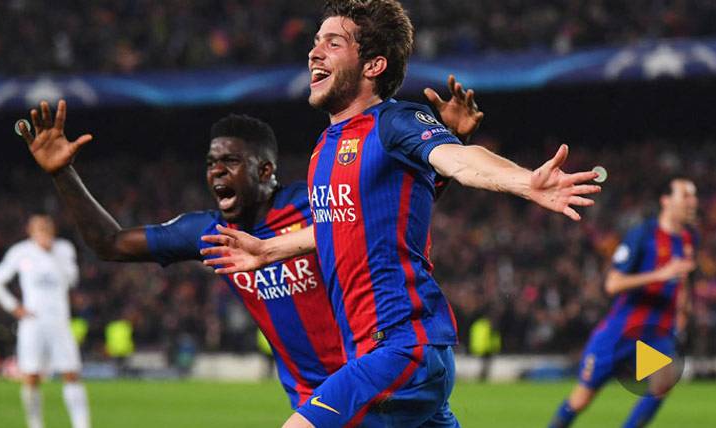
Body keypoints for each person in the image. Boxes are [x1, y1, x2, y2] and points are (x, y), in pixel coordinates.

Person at [202, 1, 601, 426]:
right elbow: (342, 227)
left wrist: (523, 181)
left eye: (333, 43)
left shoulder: (395, 120)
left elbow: (458, 159)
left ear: (374, 65)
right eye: (316, 42)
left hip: (401, 348)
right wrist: (268, 250)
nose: (314, 52)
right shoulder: (326, 147)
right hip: (386, 353)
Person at [15, 76, 482, 410]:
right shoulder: (209, 233)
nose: (215, 171)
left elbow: (389, 215)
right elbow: (111, 243)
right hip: (313, 398)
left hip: (372, 381)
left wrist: (444, 153)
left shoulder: (317, 202)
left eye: (230, 161)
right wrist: (63, 174)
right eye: (211, 162)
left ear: (264, 171)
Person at [548, 177, 698, 428]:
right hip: (620, 332)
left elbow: (682, 278)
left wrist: (683, 308)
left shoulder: (689, 238)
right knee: (581, 399)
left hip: (655, 333)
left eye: (693, 196)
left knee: (663, 383)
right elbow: (612, 284)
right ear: (666, 201)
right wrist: (660, 274)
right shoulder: (643, 234)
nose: (693, 202)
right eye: (686, 195)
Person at [0, 215, 90, 428]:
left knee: (71, 373)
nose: (44, 231)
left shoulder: (64, 249)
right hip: (32, 323)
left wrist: (51, 254)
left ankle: (82, 425)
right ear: (30, 230)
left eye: (47, 227)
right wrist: (13, 306)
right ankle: (35, 424)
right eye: (39, 228)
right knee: (32, 376)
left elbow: (72, 279)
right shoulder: (20, 252)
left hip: (60, 321)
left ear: (53, 230)